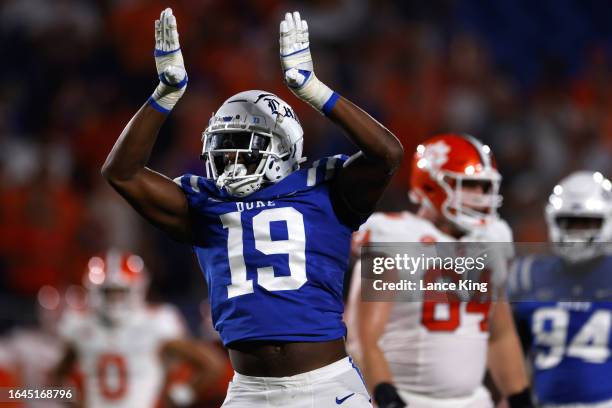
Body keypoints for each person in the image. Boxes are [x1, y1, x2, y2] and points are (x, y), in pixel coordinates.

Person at [101, 8, 403, 407]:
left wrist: (315, 91)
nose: (230, 160)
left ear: (283, 147)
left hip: (325, 385)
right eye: (223, 149)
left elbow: (387, 152)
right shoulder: (205, 203)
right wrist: (165, 94)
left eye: (244, 147)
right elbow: (120, 172)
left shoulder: (324, 190)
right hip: (249, 390)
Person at [346, 133, 533, 408]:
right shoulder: (395, 237)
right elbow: (362, 340)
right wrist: (387, 399)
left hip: (474, 402)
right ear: (431, 185)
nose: (481, 197)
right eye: (469, 185)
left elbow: (500, 333)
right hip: (409, 398)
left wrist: (520, 397)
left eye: (485, 187)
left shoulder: (492, 239)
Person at [52, 250, 224, 408]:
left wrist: (179, 395)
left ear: (136, 289)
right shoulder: (80, 325)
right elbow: (58, 375)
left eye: (120, 292)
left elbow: (211, 364)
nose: (114, 300)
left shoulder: (155, 324)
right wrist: (74, 401)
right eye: (108, 292)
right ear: (94, 290)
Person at [511, 171, 612, 407]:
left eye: (587, 222)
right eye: (569, 222)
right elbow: (508, 348)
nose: (577, 232)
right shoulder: (528, 275)